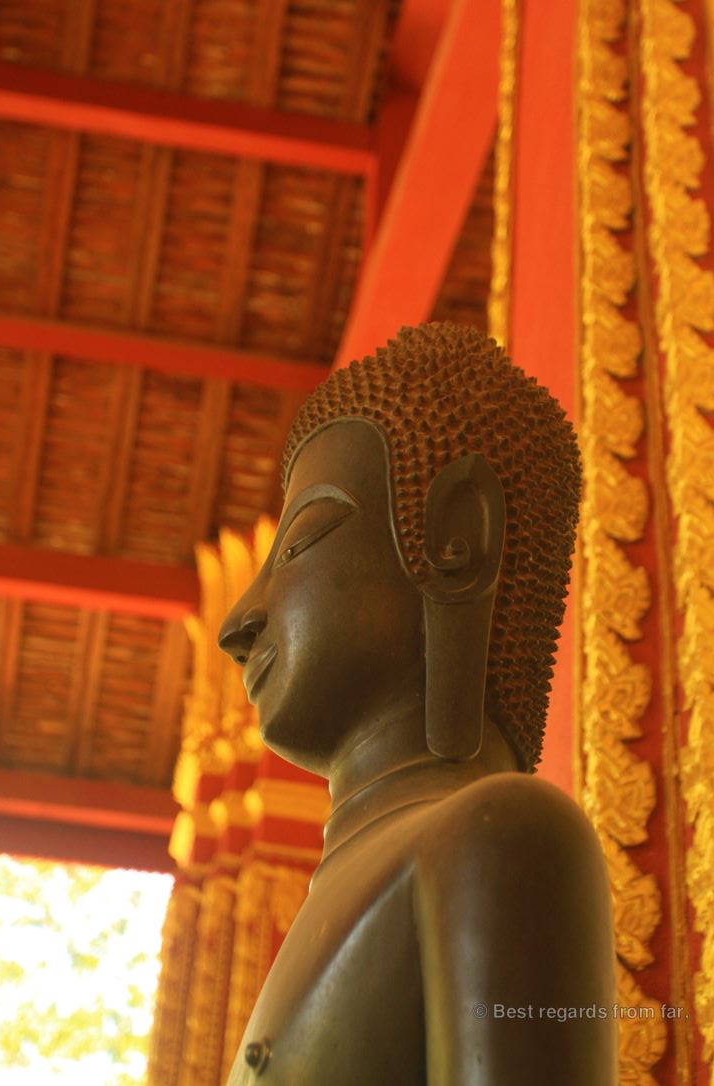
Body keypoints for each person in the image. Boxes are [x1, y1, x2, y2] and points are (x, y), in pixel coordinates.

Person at [219, 323, 616, 1084]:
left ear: (454, 541)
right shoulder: (356, 879)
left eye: (299, 544)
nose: (238, 621)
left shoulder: (500, 835)